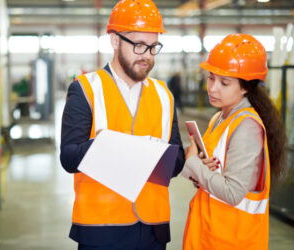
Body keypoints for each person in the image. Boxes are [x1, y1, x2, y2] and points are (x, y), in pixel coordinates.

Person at [60, 0, 185, 249]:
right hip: (101, 229)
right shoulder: (85, 89)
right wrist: (109, 146)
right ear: (115, 41)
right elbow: (69, 158)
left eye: (153, 47)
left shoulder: (164, 95)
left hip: (153, 228)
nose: (147, 56)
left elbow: (177, 159)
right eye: (139, 46)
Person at [182, 34, 287, 250]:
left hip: (232, 241)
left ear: (246, 87)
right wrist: (198, 169)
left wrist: (193, 163)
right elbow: (213, 171)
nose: (212, 88)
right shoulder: (219, 117)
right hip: (209, 234)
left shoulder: (247, 126)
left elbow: (232, 192)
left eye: (224, 82)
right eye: (211, 78)